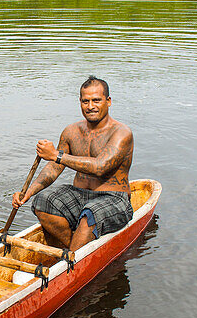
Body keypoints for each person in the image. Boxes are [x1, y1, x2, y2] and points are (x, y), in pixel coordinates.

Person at [11, 76, 135, 251]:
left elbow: (101, 167)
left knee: (90, 215)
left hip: (113, 198)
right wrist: (28, 193)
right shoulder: (71, 131)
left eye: (96, 100)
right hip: (79, 194)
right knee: (42, 202)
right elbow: (55, 167)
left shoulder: (121, 133)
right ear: (80, 102)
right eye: (86, 101)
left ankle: (72, 259)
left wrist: (56, 155)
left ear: (108, 101)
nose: (90, 106)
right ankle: (73, 251)